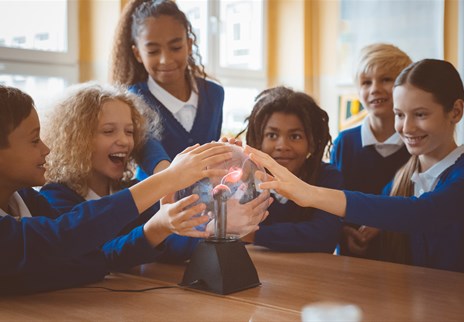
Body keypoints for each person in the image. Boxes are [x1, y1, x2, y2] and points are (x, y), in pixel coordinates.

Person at [0, 84, 237, 294]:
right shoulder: (55, 196)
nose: (45, 149)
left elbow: (88, 256)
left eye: (130, 131)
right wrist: (169, 178)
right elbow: (66, 238)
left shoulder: (26, 200)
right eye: (34, 141)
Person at [246, 59, 464, 273]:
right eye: (399, 115)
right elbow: (386, 209)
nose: (407, 127)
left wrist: (310, 193)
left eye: (420, 114)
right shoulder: (405, 176)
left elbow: (420, 212)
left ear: (456, 111)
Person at [40, 82, 270, 263]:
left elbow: (166, 245)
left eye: (130, 132)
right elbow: (101, 255)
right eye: (109, 131)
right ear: (76, 141)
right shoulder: (55, 197)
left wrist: (212, 230)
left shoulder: (132, 190)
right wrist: (157, 227)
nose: (124, 140)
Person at [110, 0, 224, 180]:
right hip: (155, 204)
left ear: (189, 45)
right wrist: (174, 178)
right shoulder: (132, 99)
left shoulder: (214, 94)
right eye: (153, 51)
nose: (165, 59)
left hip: (203, 202)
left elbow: (214, 152)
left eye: (176, 47)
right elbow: (149, 149)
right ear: (138, 54)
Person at [331, 44, 412, 259]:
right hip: (353, 260)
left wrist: (383, 222)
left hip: (406, 263)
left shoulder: (417, 145)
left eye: (386, 79)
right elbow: (332, 197)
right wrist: (344, 232)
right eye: (366, 82)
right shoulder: (344, 143)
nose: (375, 89)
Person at [237, 86, 343, 252]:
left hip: (314, 273)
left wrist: (254, 235)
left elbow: (325, 236)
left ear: (312, 143)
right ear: (258, 140)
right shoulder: (244, 178)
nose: (282, 146)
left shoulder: (327, 178)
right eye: (272, 135)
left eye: (295, 136)